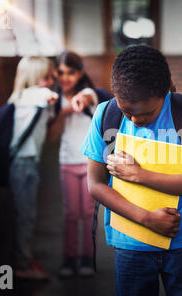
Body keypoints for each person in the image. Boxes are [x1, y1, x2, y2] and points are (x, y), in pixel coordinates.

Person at [81, 45, 182, 296]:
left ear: (165, 92)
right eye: (126, 111)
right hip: (130, 243)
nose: (134, 120)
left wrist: (138, 175)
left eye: (146, 113)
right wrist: (147, 218)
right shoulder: (105, 116)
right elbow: (96, 185)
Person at [47, 51, 110, 277]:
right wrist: (63, 113)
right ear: (55, 73)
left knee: (88, 212)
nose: (65, 77)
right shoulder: (54, 101)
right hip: (67, 162)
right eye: (61, 72)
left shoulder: (91, 95)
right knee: (70, 213)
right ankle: (69, 258)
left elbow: (90, 95)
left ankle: (87, 258)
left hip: (90, 164)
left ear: (80, 73)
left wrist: (82, 98)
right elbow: (52, 136)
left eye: (71, 72)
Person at [8, 56, 58, 280]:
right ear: (33, 78)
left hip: (27, 161)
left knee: (27, 214)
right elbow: (49, 96)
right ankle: (21, 264)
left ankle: (24, 257)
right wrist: (50, 92)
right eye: (46, 77)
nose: (50, 81)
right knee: (25, 215)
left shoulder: (26, 98)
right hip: (23, 163)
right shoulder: (30, 95)